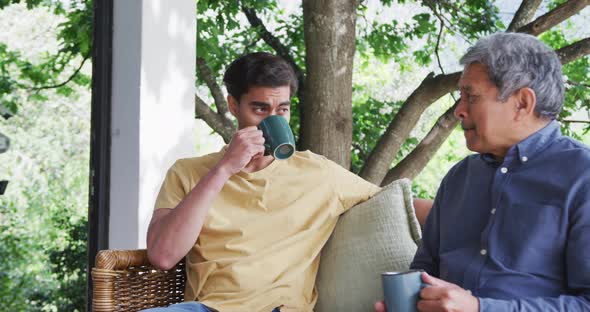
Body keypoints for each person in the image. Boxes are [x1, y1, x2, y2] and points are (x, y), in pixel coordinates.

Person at [145, 52, 431, 312]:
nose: (273, 119)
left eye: (282, 109)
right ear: (233, 105)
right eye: (260, 109)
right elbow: (163, 256)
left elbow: (395, 204)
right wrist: (223, 170)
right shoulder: (189, 172)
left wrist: (470, 217)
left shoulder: (319, 173)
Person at [375, 32, 590, 312]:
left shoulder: (581, 177)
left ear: (523, 103)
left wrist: (480, 308)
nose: (459, 111)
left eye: (471, 97)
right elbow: (424, 271)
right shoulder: (459, 177)